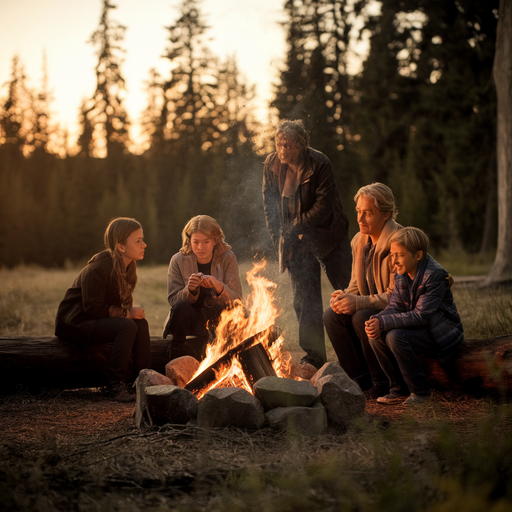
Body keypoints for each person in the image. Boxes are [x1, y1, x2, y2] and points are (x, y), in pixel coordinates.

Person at [262, 119, 351, 369]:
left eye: (288, 144)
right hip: (294, 240)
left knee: (347, 291)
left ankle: (361, 351)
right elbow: (269, 205)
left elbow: (323, 207)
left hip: (328, 235)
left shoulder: (320, 163)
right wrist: (279, 238)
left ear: (302, 144)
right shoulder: (271, 165)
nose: (282, 149)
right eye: (279, 143)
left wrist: (294, 227)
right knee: (304, 299)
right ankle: (315, 358)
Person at [55, 217, 151, 403]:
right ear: (121, 247)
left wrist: (130, 315)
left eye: (142, 239)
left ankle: (143, 381)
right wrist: (128, 314)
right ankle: (114, 386)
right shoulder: (98, 269)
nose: (144, 245)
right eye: (138, 241)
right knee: (127, 326)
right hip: (75, 324)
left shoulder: (128, 267)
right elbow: (92, 309)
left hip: (94, 320)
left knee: (141, 324)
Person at [365, 227, 464, 405]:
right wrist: (377, 320)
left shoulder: (434, 275)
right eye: (392, 255)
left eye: (399, 255)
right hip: (421, 328)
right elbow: (395, 305)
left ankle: (420, 392)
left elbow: (420, 316)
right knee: (376, 335)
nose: (394, 261)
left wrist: (383, 322)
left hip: (441, 330)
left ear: (418, 255)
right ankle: (397, 389)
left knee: (395, 337)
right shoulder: (402, 273)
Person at [323, 182, 402, 399]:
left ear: (385, 215)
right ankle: (358, 381)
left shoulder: (399, 243)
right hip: (371, 309)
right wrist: (344, 297)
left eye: (367, 213)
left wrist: (358, 303)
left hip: (400, 314)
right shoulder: (359, 240)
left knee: (362, 317)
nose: (359, 218)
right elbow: (356, 286)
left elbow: (398, 297)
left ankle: (381, 382)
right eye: (358, 211)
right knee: (332, 315)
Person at [162, 215, 243, 360]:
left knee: (233, 311)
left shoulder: (227, 258)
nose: (200, 247)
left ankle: (226, 359)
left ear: (215, 241)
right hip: (189, 320)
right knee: (181, 307)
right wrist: (190, 290)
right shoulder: (178, 260)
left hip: (219, 319)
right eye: (196, 242)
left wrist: (219, 287)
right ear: (189, 240)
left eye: (206, 242)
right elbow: (173, 300)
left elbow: (237, 299)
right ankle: (175, 355)